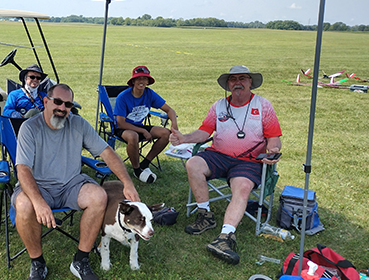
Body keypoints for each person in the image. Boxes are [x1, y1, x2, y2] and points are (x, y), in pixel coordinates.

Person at [13, 83, 139, 280]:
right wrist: (38, 201)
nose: (62, 108)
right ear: (46, 101)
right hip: (39, 186)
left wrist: (127, 183)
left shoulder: (78, 124)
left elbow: (106, 152)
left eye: (68, 104)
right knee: (24, 205)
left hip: (71, 183)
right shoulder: (30, 128)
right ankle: (37, 263)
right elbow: (23, 170)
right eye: (58, 102)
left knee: (98, 196)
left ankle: (80, 260)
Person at [169, 65, 282, 265]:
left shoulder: (263, 105)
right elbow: (205, 132)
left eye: (242, 78)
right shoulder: (219, 106)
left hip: (249, 160)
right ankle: (205, 215)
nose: (237, 82)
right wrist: (184, 138)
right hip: (219, 155)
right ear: (228, 84)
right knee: (193, 163)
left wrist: (272, 151)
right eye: (233, 79)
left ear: (250, 82)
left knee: (243, 186)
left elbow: (273, 137)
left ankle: (225, 237)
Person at [113, 66, 178, 184]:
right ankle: (137, 170)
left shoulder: (149, 94)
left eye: (144, 79)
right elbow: (120, 123)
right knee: (133, 136)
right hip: (123, 128)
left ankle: (145, 163)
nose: (141, 81)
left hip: (139, 126)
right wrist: (142, 131)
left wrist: (174, 125)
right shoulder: (123, 97)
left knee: (165, 133)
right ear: (133, 81)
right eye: (138, 79)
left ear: (148, 82)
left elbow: (170, 110)